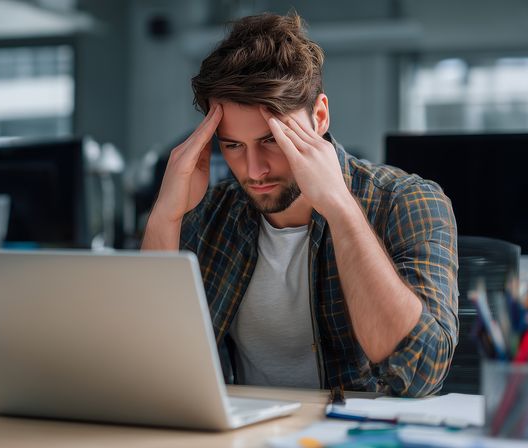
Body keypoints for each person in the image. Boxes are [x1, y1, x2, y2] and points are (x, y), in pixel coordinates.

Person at [141, 12, 458, 397]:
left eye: (271, 140)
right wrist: (165, 215)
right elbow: (149, 366)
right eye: (233, 146)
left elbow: (421, 371)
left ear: (319, 116)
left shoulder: (406, 200)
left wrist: (341, 209)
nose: (254, 171)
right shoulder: (212, 213)